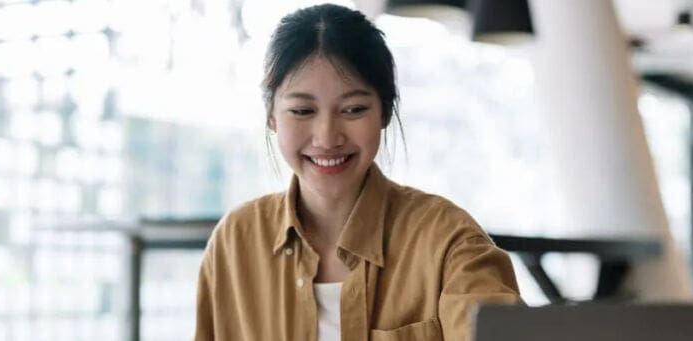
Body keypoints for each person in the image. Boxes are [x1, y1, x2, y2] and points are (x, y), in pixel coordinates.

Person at [195, 4, 520, 340]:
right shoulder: (235, 243)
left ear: (384, 113)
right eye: (302, 110)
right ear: (272, 117)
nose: (327, 137)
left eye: (353, 109)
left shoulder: (448, 240)